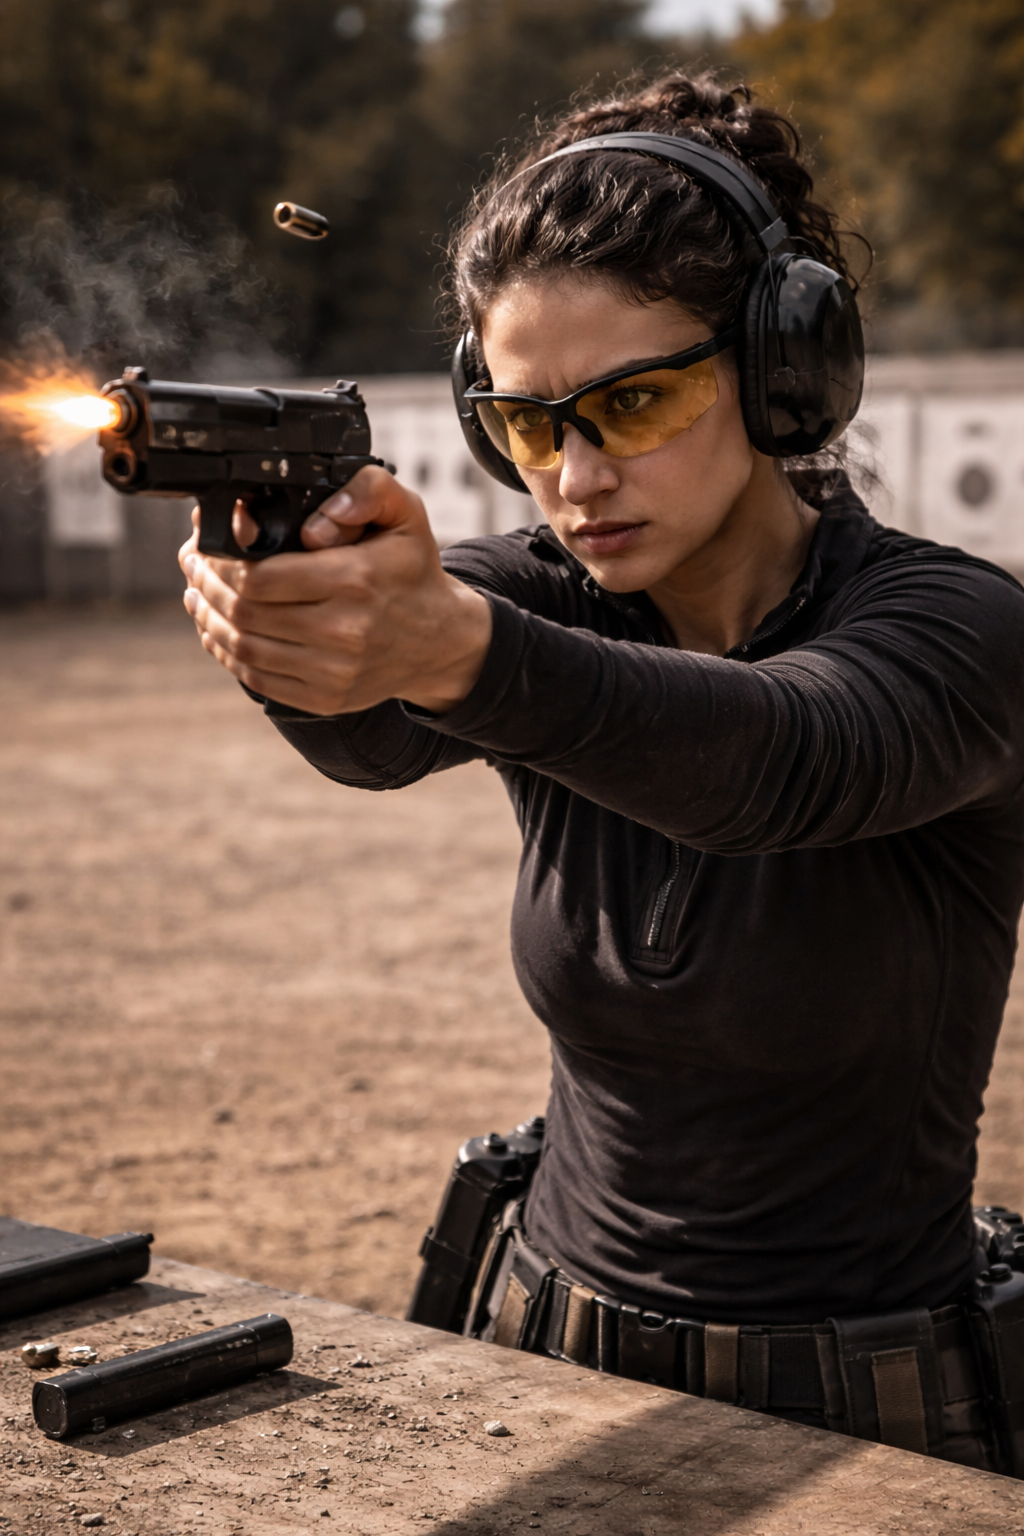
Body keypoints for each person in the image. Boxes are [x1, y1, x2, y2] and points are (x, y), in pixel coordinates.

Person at [179, 74, 1024, 1471]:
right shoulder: (546, 602)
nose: (572, 478)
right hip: (544, 1348)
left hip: (870, 1410)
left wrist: (449, 647)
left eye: (631, 403)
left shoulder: (960, 632)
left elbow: (787, 759)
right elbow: (376, 736)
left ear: (780, 367)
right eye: (525, 422)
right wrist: (290, 608)